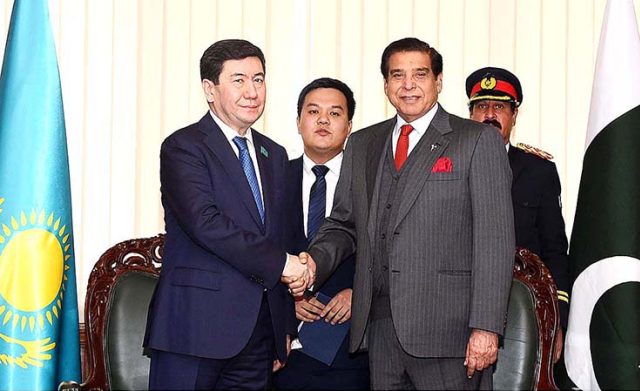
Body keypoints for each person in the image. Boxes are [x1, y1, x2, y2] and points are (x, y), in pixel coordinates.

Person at [299, 38, 515, 390]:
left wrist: (486, 328)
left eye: (419, 74)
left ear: (438, 81)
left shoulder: (475, 140)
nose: (408, 84)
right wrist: (312, 263)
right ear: (386, 85)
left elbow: (495, 241)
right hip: (381, 333)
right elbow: (343, 224)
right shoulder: (364, 143)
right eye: (397, 75)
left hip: (450, 337)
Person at [143, 39, 312, 390]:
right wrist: (284, 264)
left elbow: (278, 236)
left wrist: (282, 325)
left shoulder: (274, 154)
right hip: (194, 329)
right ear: (210, 89)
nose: (251, 91)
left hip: (258, 335)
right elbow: (206, 224)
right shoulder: (184, 147)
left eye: (259, 79)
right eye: (238, 80)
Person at [465, 66, 570, 365]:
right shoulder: (450, 164)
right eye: (481, 106)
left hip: (522, 313)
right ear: (470, 114)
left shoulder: (539, 170)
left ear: (514, 115)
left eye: (499, 107)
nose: (489, 115)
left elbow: (554, 250)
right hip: (459, 309)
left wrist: (557, 320)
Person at [274, 78, 370, 390]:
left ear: (350, 125)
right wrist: (288, 301)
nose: (323, 120)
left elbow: (394, 252)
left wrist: (362, 296)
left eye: (335, 113)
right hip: (283, 345)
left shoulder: (373, 184)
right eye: (313, 111)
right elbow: (251, 251)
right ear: (299, 121)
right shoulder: (271, 180)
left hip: (351, 345)